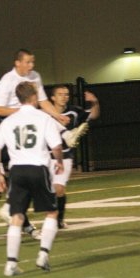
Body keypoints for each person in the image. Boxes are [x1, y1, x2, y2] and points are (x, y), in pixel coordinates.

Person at [0, 48, 88, 231]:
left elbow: (44, 103)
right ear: (17, 63)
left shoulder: (35, 76)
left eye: (33, 62)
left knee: (34, 163)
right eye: (28, 62)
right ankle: (12, 208)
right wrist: (23, 111)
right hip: (14, 125)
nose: (31, 66)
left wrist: (57, 116)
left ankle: (10, 207)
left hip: (29, 122)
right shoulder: (7, 81)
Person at [0, 81, 64, 276]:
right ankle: (43, 254)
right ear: (33, 97)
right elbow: (56, 146)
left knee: (17, 216)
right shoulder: (43, 118)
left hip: (17, 171)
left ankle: (11, 264)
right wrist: (59, 162)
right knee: (52, 212)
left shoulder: (9, 121)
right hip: (38, 168)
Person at [50, 85, 100, 228]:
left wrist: (95, 102)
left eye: (66, 94)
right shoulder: (45, 113)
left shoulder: (75, 111)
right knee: (42, 189)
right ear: (52, 98)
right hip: (45, 156)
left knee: (59, 187)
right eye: (60, 94)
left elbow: (93, 115)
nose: (64, 97)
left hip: (65, 156)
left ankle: (59, 219)